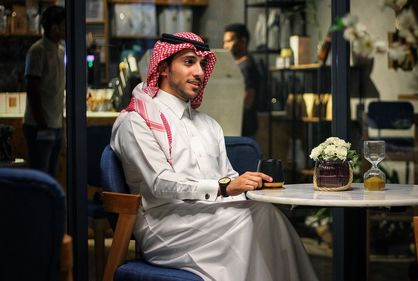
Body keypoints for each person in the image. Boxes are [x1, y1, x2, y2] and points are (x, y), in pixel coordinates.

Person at [111, 32, 317, 281]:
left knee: (266, 213)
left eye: (202, 64)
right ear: (164, 68)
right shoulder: (136, 121)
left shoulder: (208, 125)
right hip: (165, 225)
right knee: (252, 221)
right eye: (189, 62)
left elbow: (227, 177)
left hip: (214, 215)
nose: (199, 72)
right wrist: (225, 187)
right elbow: (159, 182)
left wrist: (252, 185)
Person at [23, 5, 65, 177]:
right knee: (40, 176)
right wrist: (42, 125)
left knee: (52, 174)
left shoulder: (60, 50)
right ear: (54, 27)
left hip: (56, 124)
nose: (66, 28)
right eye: (63, 24)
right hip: (39, 125)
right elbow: (32, 88)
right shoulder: (37, 50)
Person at [223, 23, 260, 138]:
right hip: (232, 124)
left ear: (243, 41)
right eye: (224, 42)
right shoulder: (234, 65)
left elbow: (248, 97)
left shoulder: (247, 66)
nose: (225, 46)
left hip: (243, 127)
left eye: (229, 41)